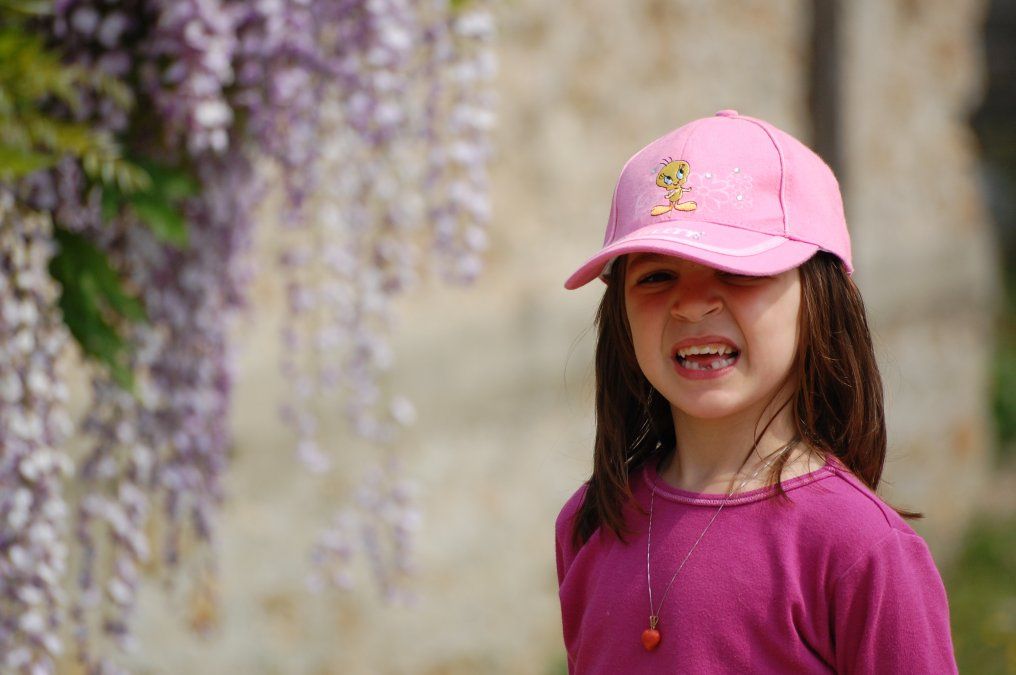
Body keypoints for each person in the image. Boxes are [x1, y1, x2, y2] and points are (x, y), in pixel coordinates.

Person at [555, 110, 958, 674]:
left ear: (820, 297)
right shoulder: (589, 521)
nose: (692, 304)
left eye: (738, 270)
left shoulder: (861, 548)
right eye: (655, 277)